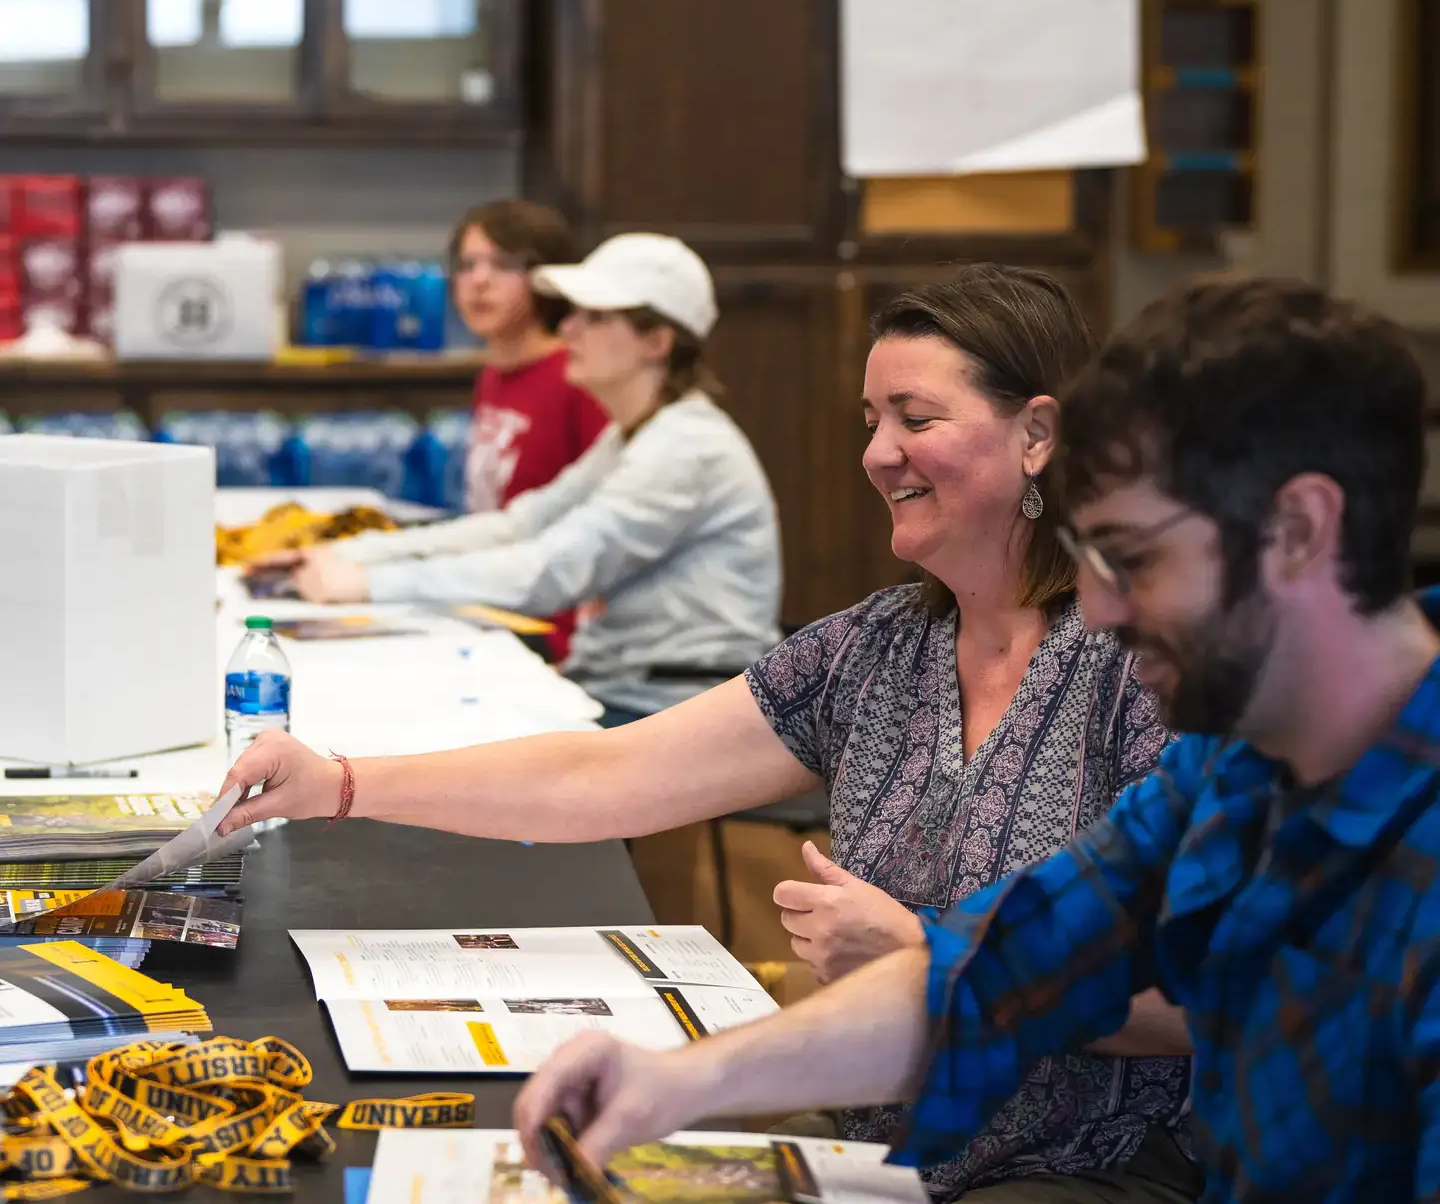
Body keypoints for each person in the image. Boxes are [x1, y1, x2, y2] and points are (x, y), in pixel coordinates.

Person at [220, 264, 1195, 1199]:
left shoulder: (1139, 672)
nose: (877, 453)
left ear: (1037, 434)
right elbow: (609, 773)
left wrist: (926, 951)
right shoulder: (876, 648)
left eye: (916, 418)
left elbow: (1194, 1003)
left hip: (1078, 1168)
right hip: (883, 1164)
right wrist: (340, 782)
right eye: (871, 421)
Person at [511, 274, 1440, 1203]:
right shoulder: (1226, 768)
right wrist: (678, 1080)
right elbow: (993, 972)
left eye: (1138, 558)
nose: (1104, 607)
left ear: (1298, 528)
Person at [260, 233, 782, 726]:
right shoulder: (640, 434)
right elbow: (521, 525)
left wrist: (367, 583)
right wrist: (356, 555)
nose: (568, 330)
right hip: (631, 685)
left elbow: (549, 570)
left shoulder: (685, 448)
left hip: (676, 706)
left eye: (595, 317)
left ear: (658, 340)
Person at [447, 200, 609, 660]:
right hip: (493, 602)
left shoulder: (576, 377)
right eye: (467, 264)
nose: (479, 280)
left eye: (503, 264)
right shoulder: (494, 375)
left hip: (552, 626)